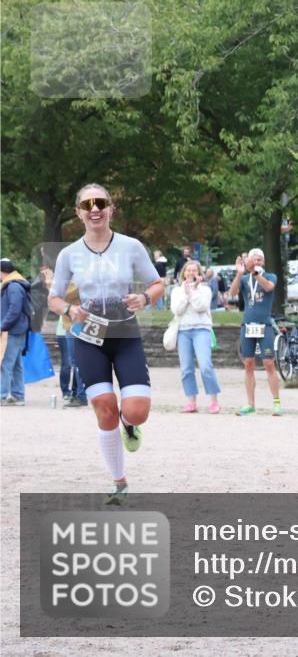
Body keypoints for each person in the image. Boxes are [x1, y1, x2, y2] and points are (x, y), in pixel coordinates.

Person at [47, 184, 165, 504]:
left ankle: (130, 426)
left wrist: (143, 297)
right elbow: (54, 297)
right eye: (88, 205)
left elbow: (158, 284)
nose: (95, 209)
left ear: (111, 209)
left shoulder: (131, 247)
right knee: (105, 409)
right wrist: (70, 309)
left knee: (136, 411)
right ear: (79, 213)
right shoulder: (69, 254)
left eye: (101, 203)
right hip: (88, 337)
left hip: (125, 335)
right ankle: (119, 482)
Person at [229, 248, 282, 416]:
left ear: (263, 262)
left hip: (264, 325)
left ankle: (277, 403)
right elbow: (232, 293)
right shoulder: (245, 279)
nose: (257, 262)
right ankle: (250, 404)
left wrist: (255, 273)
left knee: (268, 363)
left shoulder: (270, 276)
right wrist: (239, 273)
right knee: (248, 363)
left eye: (259, 260)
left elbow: (268, 287)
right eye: (254, 259)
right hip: (248, 325)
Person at [171, 260, 221, 414]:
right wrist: (186, 294)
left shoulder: (205, 290)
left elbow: (201, 307)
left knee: (205, 365)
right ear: (183, 273)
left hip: (201, 330)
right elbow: (176, 310)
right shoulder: (176, 291)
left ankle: (213, 401)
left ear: (199, 274)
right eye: (188, 270)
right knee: (186, 368)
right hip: (183, 331)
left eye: (194, 271)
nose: (191, 273)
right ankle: (191, 401)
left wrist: (192, 291)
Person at [40, 266, 87, 407]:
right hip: (74, 325)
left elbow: (62, 296)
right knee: (75, 362)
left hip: (77, 325)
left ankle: (81, 396)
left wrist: (49, 281)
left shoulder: (79, 284)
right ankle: (75, 393)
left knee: (78, 361)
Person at [1, 258, 31, 406]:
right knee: (16, 363)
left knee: (5, 363)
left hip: (13, 330)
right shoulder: (15, 284)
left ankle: (2, 395)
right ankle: (18, 395)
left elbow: (14, 310)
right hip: (17, 329)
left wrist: (2, 325)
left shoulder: (13, 286)